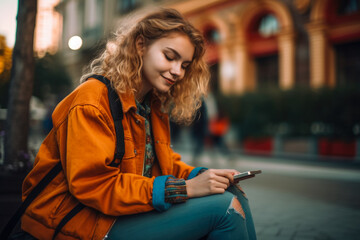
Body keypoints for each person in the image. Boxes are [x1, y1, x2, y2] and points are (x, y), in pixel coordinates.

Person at [19, 8, 257, 240]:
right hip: (79, 221)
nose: (178, 72)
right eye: (170, 56)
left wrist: (205, 176)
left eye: (184, 65)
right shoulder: (91, 100)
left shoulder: (151, 104)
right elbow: (93, 186)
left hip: (121, 212)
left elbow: (163, 163)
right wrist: (186, 188)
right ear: (141, 45)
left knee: (231, 191)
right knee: (224, 209)